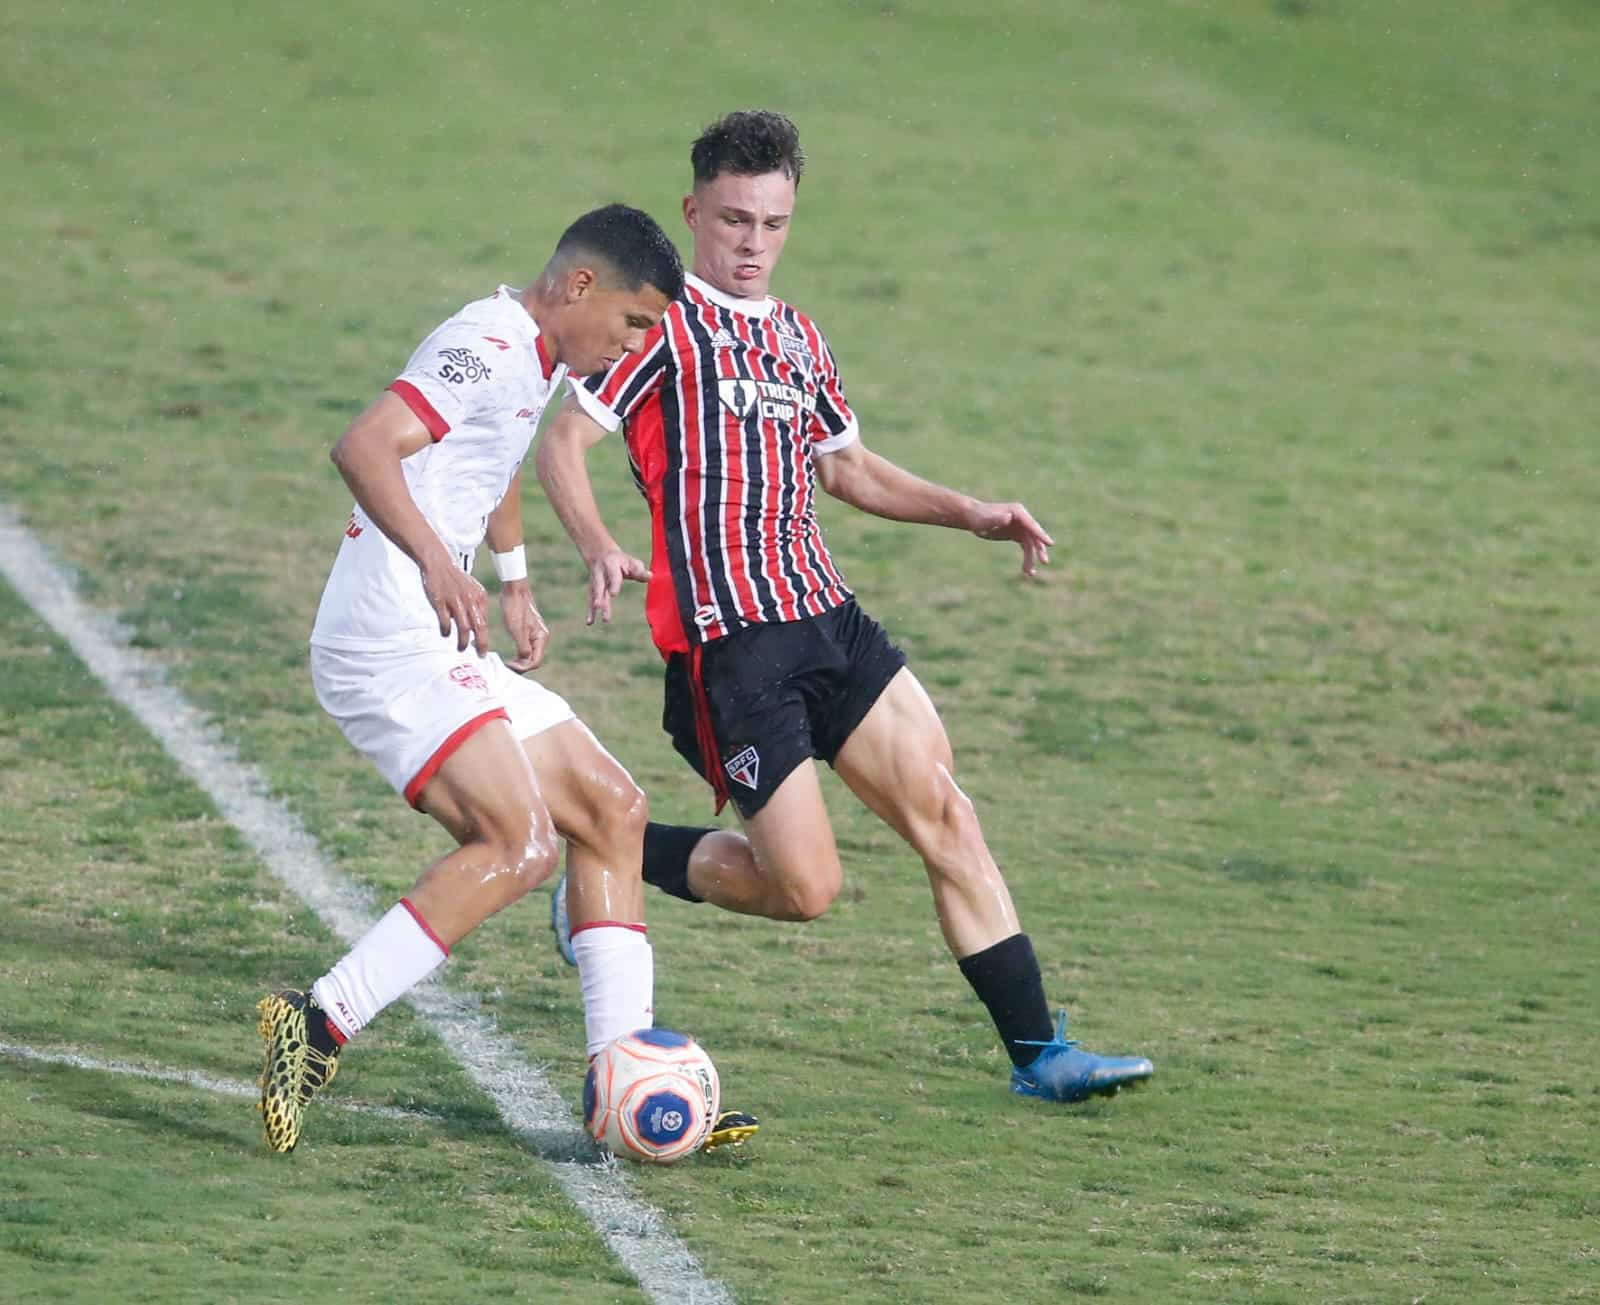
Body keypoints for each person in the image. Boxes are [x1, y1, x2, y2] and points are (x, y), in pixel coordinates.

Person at [536, 112, 1154, 1104]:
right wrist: (598, 543)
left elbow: (849, 468)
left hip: (829, 621)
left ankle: (1040, 1055)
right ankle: (606, 864)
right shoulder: (660, 324)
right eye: (734, 220)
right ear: (693, 212)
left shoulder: (797, 336)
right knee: (804, 890)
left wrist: (971, 512)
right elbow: (565, 442)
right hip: (734, 649)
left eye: (773, 224)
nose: (753, 244)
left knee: (947, 812)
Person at [257, 205, 758, 1154]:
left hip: (437, 630)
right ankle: (317, 1020)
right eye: (632, 322)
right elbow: (364, 446)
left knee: (613, 809)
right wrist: (439, 564)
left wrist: (515, 581)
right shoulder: (487, 345)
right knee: (519, 843)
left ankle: (621, 1076)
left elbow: (491, 459)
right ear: (580, 286)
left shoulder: (539, 356)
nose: (631, 346)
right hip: (387, 638)